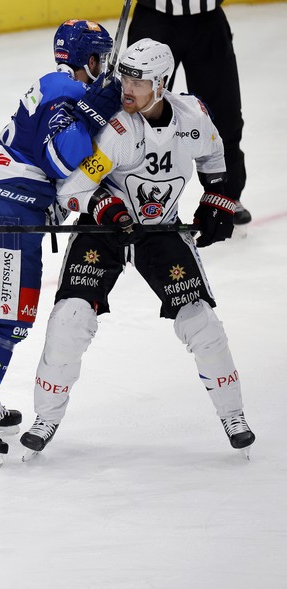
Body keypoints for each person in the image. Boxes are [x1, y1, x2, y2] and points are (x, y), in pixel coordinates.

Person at [20, 39, 255, 459]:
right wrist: (103, 206)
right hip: (105, 231)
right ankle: (46, 417)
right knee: (70, 319)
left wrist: (216, 200)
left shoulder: (194, 118)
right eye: (124, 75)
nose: (126, 87)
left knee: (200, 321)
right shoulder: (118, 130)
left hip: (161, 229)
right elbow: (75, 187)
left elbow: (216, 160)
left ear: (161, 84)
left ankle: (233, 414)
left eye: (138, 80)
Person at [0, 19, 122, 466]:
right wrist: (96, 112)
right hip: (8, 209)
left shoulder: (54, 85)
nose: (104, 67)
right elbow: (57, 157)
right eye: (101, 58)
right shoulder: (65, 91)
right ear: (88, 60)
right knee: (10, 318)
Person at [127, 0, 251, 225]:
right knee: (139, 116)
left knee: (224, 113)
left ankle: (226, 195)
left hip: (207, 19)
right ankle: (132, 197)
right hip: (155, 18)